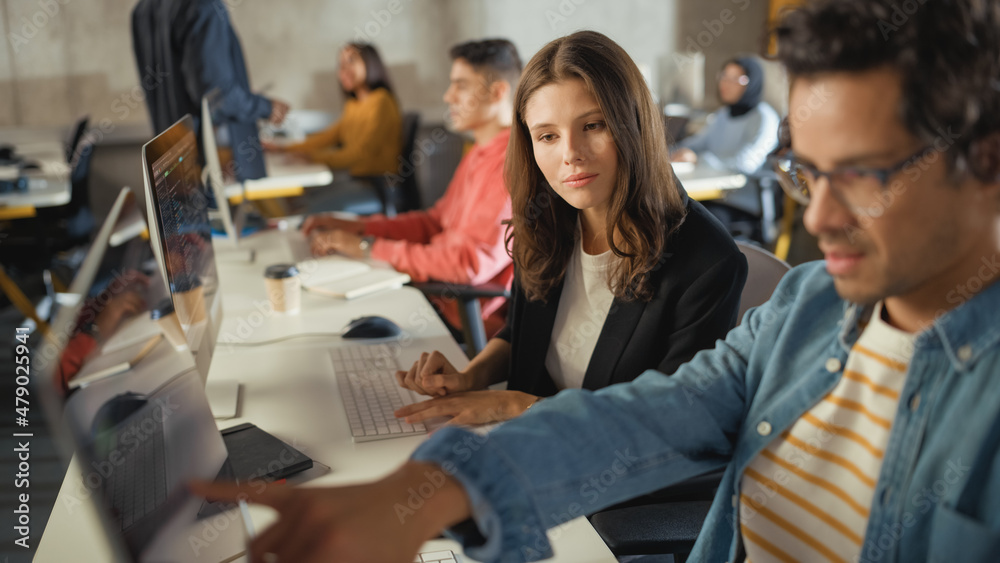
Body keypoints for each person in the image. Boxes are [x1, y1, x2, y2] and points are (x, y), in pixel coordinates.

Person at [197, 2, 1000, 562]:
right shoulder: (807, 307)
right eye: (805, 174)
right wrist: (427, 490)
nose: (819, 218)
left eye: (859, 175)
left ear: (985, 161)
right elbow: (654, 415)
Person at [389, 32, 747, 427]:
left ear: (634, 124)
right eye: (547, 136)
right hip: (523, 443)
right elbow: (523, 332)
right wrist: (469, 376)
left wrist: (515, 406)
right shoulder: (547, 219)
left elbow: (672, 418)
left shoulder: (708, 261)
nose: (570, 154)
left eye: (593, 125)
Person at [303, 39, 523, 337]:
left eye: (460, 85)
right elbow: (434, 223)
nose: (448, 96)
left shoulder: (510, 165)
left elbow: (469, 264)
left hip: (459, 319)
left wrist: (368, 248)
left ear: (497, 92)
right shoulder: (479, 153)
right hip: (431, 295)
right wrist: (357, 228)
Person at [131, 0, 289, 182]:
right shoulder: (203, 6)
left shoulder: (143, 9)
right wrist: (266, 107)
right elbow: (218, 97)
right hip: (208, 163)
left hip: (170, 162)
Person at [277, 43, 402, 177]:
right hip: (358, 178)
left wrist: (311, 157)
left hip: (378, 182)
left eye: (351, 61)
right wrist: (282, 148)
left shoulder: (381, 101)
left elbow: (362, 152)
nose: (344, 69)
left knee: (307, 194)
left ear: (370, 62)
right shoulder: (353, 105)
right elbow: (326, 138)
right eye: (340, 64)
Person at [672, 56, 780, 175]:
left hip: (744, 189)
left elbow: (747, 163)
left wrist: (698, 160)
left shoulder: (765, 117)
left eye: (736, 79)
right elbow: (698, 143)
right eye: (724, 76)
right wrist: (675, 152)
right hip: (713, 182)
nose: (726, 84)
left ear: (753, 83)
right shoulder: (723, 114)